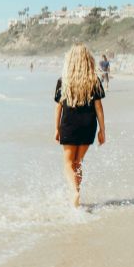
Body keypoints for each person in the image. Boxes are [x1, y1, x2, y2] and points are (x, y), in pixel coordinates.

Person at [54, 44, 106, 207]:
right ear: (87, 60)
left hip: (69, 124)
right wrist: (102, 130)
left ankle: (74, 192)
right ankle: (77, 195)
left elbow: (59, 107)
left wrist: (56, 128)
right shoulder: (94, 80)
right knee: (78, 162)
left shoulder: (64, 81)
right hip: (88, 125)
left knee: (68, 163)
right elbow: (98, 107)